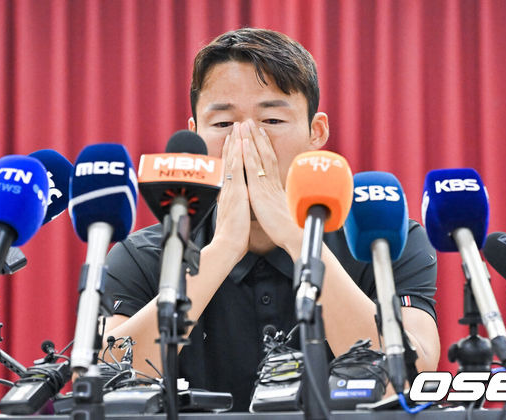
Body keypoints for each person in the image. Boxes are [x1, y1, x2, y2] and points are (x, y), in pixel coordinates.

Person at [103, 28, 440, 412]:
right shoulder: (144, 255)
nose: (245, 141)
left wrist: (296, 239)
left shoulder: (382, 239)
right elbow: (107, 381)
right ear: (195, 138)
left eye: (272, 120)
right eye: (223, 124)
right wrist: (223, 249)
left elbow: (411, 376)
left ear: (316, 132)